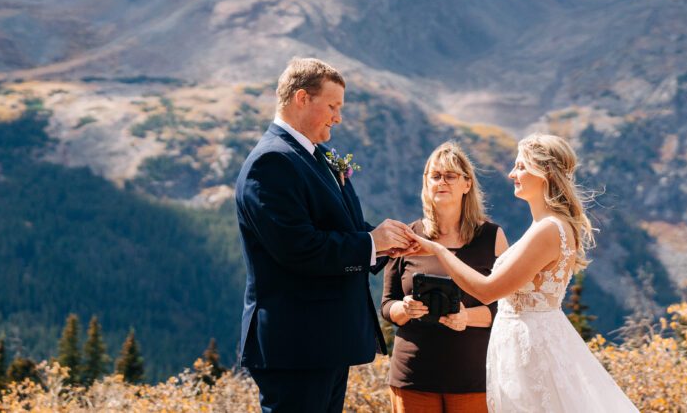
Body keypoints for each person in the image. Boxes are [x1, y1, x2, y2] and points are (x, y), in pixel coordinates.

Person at [406, 134, 640, 412]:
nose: (511, 173)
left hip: (533, 350)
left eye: (520, 166)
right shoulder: (547, 226)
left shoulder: (548, 229)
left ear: (545, 173)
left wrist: (439, 251)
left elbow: (486, 290)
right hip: (527, 342)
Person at [235, 57, 418, 413]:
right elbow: (298, 248)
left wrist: (387, 244)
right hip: (297, 344)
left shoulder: (320, 156)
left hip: (327, 339)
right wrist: (371, 243)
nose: (338, 117)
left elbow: (342, 229)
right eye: (333, 106)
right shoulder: (270, 163)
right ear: (302, 98)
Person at [381, 142, 508, 412]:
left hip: (474, 378)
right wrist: (403, 309)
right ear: (426, 183)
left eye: (450, 176)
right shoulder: (408, 237)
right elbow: (387, 305)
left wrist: (467, 317)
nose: (442, 182)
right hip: (413, 377)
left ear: (467, 184)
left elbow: (509, 308)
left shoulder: (492, 238)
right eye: (435, 176)